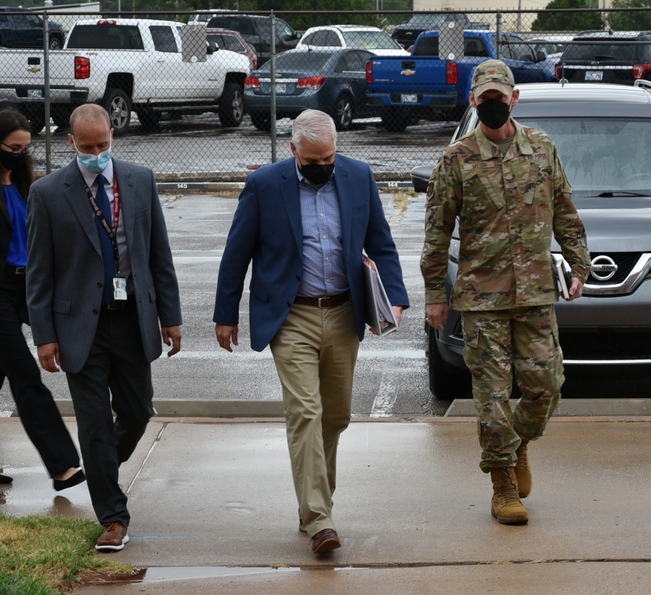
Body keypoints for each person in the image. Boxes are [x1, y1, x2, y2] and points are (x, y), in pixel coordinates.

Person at [213, 109, 408, 555]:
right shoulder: (265, 185)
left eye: (329, 159)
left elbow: (380, 242)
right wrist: (226, 315)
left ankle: (314, 506)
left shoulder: (358, 177)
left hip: (344, 312)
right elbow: (236, 253)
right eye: (313, 160)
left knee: (335, 416)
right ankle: (320, 519)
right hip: (291, 315)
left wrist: (394, 296)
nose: (323, 167)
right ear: (294, 149)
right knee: (305, 411)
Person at [421, 60, 590, 525]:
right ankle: (503, 487)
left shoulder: (541, 148)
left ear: (515, 99)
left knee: (545, 388)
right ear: (473, 101)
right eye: (485, 99)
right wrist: (436, 293)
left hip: (536, 293)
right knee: (491, 396)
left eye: (500, 98)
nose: (493, 106)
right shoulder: (457, 159)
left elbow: (565, 211)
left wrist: (579, 265)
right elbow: (437, 232)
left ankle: (516, 447)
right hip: (482, 300)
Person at [26, 103, 183, 552]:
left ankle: (100, 470)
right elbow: (39, 273)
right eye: (88, 147)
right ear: (71, 142)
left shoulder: (139, 180)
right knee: (94, 426)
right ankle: (113, 517)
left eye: (104, 145)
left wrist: (170, 318)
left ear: (112, 135)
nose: (97, 154)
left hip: (132, 320)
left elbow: (159, 256)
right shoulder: (49, 193)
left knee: (137, 413)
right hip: (80, 328)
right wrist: (44, 336)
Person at [0, 108, 84, 491]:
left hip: (29, 286)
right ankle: (63, 465)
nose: (20, 154)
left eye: (25, 148)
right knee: (25, 375)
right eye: (13, 148)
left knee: (75, 340)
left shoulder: (24, 185)